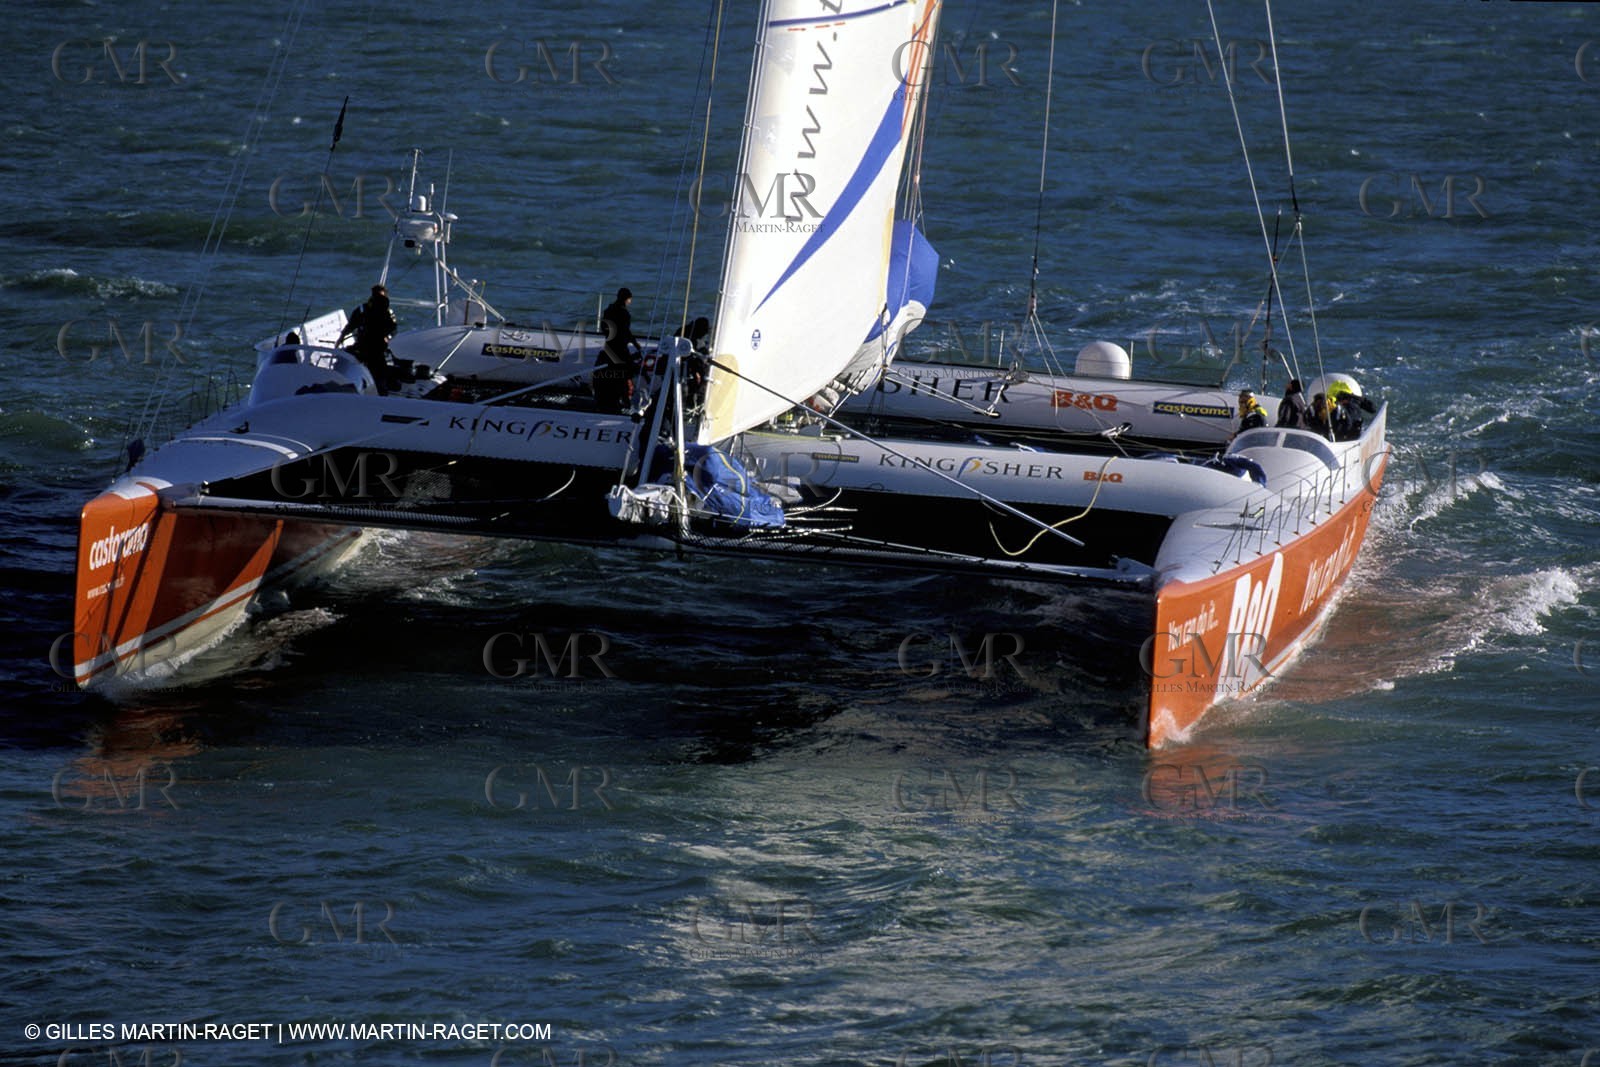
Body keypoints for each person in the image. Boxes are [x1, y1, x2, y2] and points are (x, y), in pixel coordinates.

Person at [337, 284, 398, 393]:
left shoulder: (387, 312)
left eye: (381, 296)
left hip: (379, 345)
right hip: (363, 343)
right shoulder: (362, 310)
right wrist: (342, 337)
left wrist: (387, 337)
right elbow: (351, 325)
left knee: (379, 369)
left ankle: (380, 389)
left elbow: (393, 329)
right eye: (376, 295)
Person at [593, 287, 642, 412]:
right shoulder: (624, 314)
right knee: (626, 372)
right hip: (620, 347)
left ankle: (614, 397)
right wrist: (635, 344)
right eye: (630, 300)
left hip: (609, 345)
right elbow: (626, 331)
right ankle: (626, 399)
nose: (630, 302)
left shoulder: (608, 310)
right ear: (627, 299)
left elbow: (604, 327)